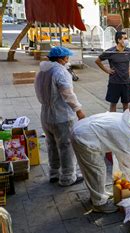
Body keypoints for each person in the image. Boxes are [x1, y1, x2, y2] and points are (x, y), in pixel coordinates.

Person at [71, 111, 130, 213]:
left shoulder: (128, 121)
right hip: (84, 137)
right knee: (96, 170)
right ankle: (99, 203)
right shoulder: (128, 134)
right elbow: (126, 161)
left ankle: (98, 195)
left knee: (94, 170)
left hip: (84, 130)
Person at [34, 46, 85, 186]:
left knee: (51, 145)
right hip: (61, 116)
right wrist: (78, 109)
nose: (68, 60)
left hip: (45, 115)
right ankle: (68, 177)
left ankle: (54, 173)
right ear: (61, 59)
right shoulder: (60, 72)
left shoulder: (42, 71)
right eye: (67, 57)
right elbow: (67, 93)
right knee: (65, 146)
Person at [96, 31, 130, 112]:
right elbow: (98, 61)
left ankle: (125, 122)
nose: (127, 40)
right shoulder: (110, 51)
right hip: (114, 82)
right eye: (125, 38)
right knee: (113, 104)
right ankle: (113, 122)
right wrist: (107, 70)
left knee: (126, 104)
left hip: (126, 82)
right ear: (119, 40)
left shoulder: (129, 51)